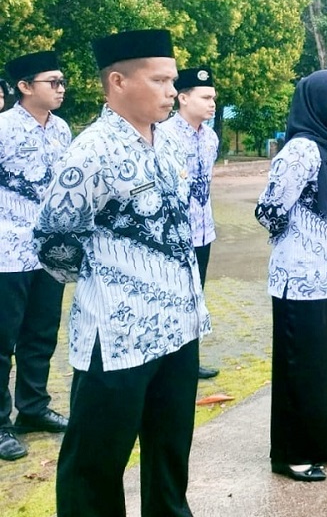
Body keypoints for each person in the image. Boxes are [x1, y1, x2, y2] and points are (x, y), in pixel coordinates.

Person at [34, 29, 211, 513]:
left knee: (170, 453)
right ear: (117, 82)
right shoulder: (89, 154)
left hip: (178, 327)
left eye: (173, 80)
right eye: (159, 80)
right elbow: (52, 240)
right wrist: (110, 280)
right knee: (96, 464)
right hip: (117, 334)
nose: (172, 91)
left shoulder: (169, 143)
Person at [255, 70, 327, 482]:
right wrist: (304, 237)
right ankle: (292, 452)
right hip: (301, 277)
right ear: (318, 105)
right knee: (300, 366)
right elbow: (269, 210)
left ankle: (325, 440)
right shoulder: (300, 151)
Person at [0, 51, 72, 462]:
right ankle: (0, 424)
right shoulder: (3, 128)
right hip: (6, 252)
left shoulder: (61, 130)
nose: (61, 89)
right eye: (53, 82)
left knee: (41, 334)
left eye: (62, 82)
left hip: (48, 252)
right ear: (25, 87)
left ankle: (33, 408)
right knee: (1, 341)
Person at [159, 66, 221, 380]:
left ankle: (189, 362)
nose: (212, 103)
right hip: (173, 236)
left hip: (203, 232)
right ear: (183, 98)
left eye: (214, 97)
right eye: (206, 97)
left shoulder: (210, 137)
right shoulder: (163, 135)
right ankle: (169, 364)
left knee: (196, 297)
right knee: (172, 297)